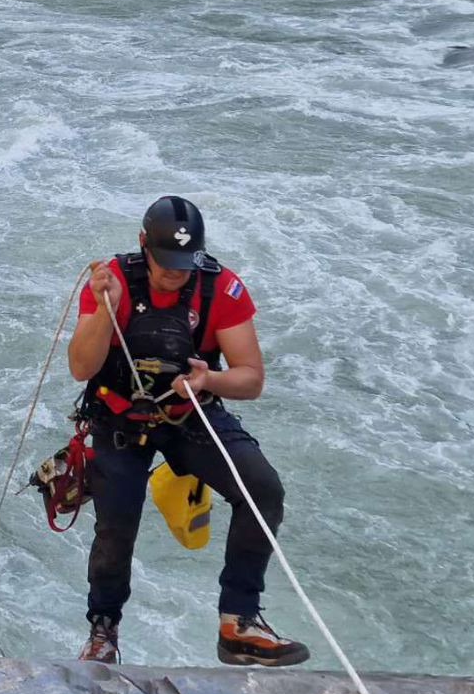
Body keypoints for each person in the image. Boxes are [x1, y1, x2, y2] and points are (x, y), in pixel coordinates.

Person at [66, 196, 309, 668]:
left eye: (185, 263)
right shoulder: (111, 282)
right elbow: (81, 367)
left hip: (189, 413)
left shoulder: (222, 289)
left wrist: (208, 380)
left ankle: (238, 623)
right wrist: (104, 310)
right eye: (166, 263)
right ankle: (103, 631)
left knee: (262, 490)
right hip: (119, 419)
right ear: (143, 244)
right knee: (116, 525)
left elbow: (251, 379)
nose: (176, 274)